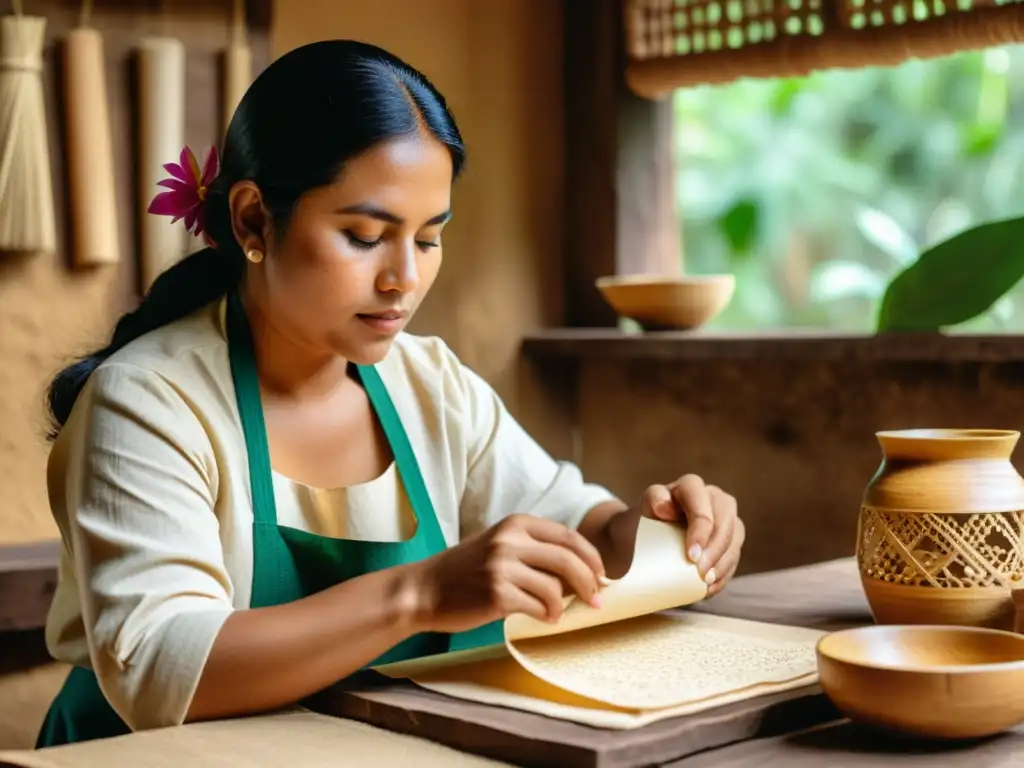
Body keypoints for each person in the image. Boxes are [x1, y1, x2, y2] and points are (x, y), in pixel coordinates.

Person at [35, 39, 745, 748]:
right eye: (365, 235)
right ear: (254, 219)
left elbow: (583, 530)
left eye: (428, 239)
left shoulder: (428, 384)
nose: (403, 278)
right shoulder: (147, 401)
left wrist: (664, 532)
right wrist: (421, 594)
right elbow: (162, 669)